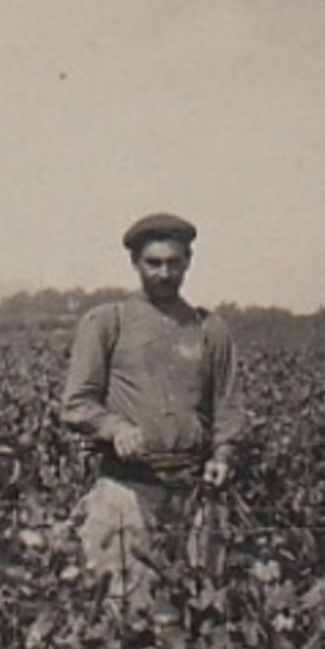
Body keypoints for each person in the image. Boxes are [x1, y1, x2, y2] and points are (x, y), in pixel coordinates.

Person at [62, 212, 247, 608]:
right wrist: (113, 428)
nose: (165, 273)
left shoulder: (209, 329)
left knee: (200, 607)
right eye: (154, 263)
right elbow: (76, 404)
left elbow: (228, 406)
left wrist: (223, 454)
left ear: (188, 262)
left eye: (174, 263)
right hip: (126, 492)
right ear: (135, 264)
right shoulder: (107, 322)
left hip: (194, 494)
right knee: (124, 610)